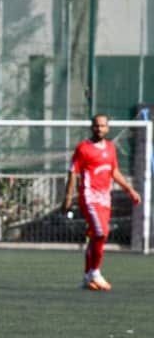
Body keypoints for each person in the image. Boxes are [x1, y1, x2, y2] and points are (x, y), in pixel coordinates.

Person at [60, 114, 141, 291]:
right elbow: (73, 172)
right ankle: (95, 272)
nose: (100, 129)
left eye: (103, 126)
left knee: (97, 238)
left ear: (108, 128)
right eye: (97, 126)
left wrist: (130, 190)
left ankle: (87, 277)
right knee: (101, 232)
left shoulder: (111, 148)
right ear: (92, 127)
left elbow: (114, 171)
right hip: (89, 197)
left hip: (105, 198)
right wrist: (67, 197)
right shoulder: (83, 148)